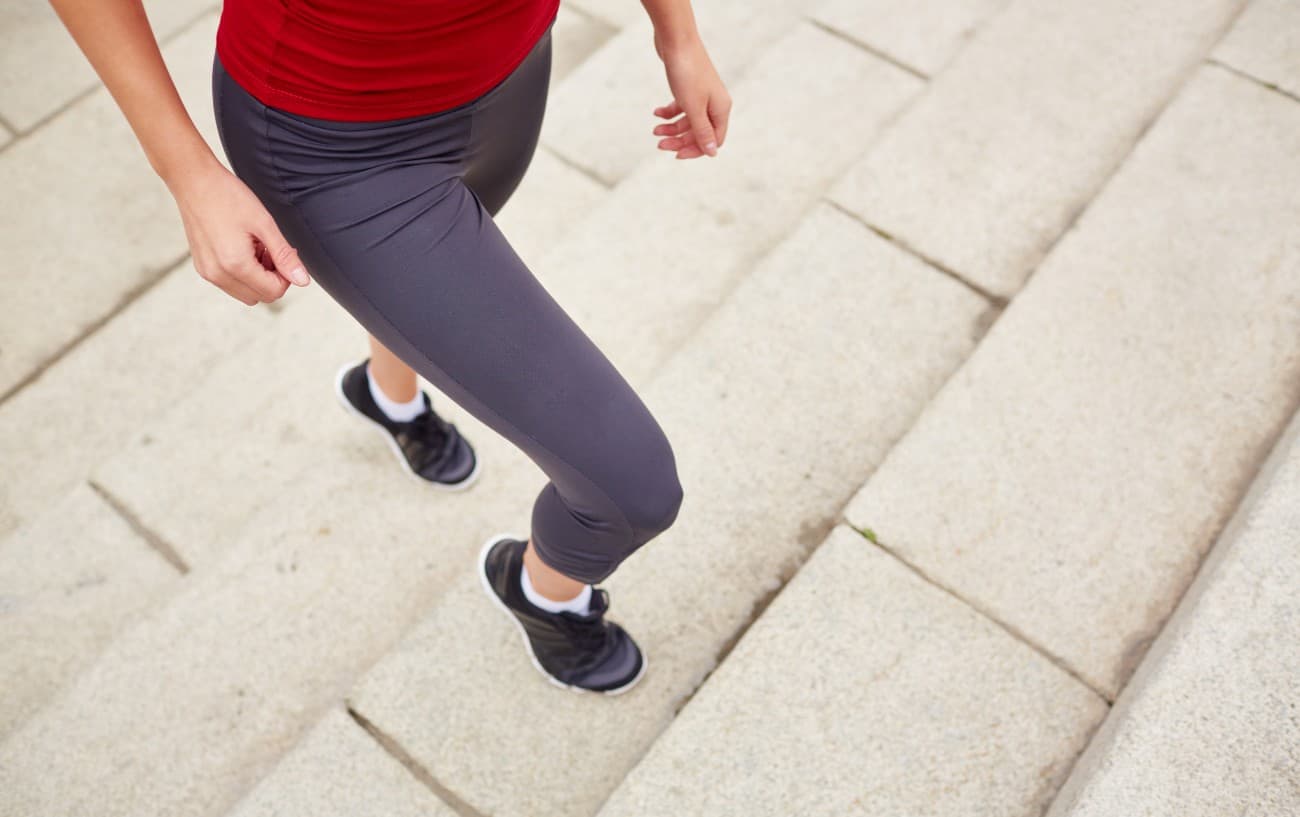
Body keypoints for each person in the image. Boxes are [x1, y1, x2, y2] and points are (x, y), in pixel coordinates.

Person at [48, 0, 732, 695]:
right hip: (332, 140)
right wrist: (186, 172)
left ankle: (387, 395)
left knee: (418, 295)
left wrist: (676, 31)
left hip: (511, 72)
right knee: (631, 486)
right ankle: (543, 593)